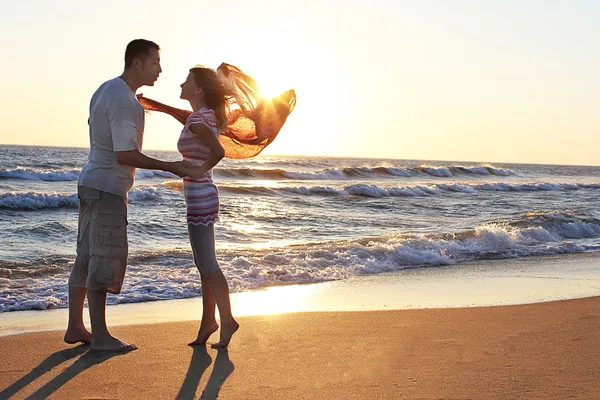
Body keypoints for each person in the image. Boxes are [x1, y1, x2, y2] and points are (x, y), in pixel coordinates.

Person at [64, 39, 192, 352]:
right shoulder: (125, 102)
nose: (160, 69)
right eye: (154, 62)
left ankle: (76, 326)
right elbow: (125, 154)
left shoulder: (106, 89)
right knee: (104, 259)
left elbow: (96, 130)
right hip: (107, 187)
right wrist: (171, 166)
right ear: (136, 62)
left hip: (91, 182)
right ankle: (102, 337)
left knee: (86, 256)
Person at [177, 66, 239, 348]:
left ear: (199, 89)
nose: (182, 83)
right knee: (204, 266)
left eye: (187, 81)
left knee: (208, 265)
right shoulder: (203, 116)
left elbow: (218, 152)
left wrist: (198, 169)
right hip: (202, 195)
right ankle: (208, 323)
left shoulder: (199, 120)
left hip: (201, 196)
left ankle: (227, 320)